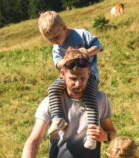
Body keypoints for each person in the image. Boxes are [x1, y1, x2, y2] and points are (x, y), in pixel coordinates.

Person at [38, 11, 104, 149]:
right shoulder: (56, 46)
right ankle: (58, 118)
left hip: (88, 76)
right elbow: (57, 63)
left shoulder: (81, 35)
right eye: (50, 40)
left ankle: (91, 134)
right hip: (68, 77)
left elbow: (98, 46)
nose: (55, 41)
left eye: (56, 37)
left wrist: (87, 52)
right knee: (53, 89)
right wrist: (67, 60)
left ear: (63, 27)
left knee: (90, 98)